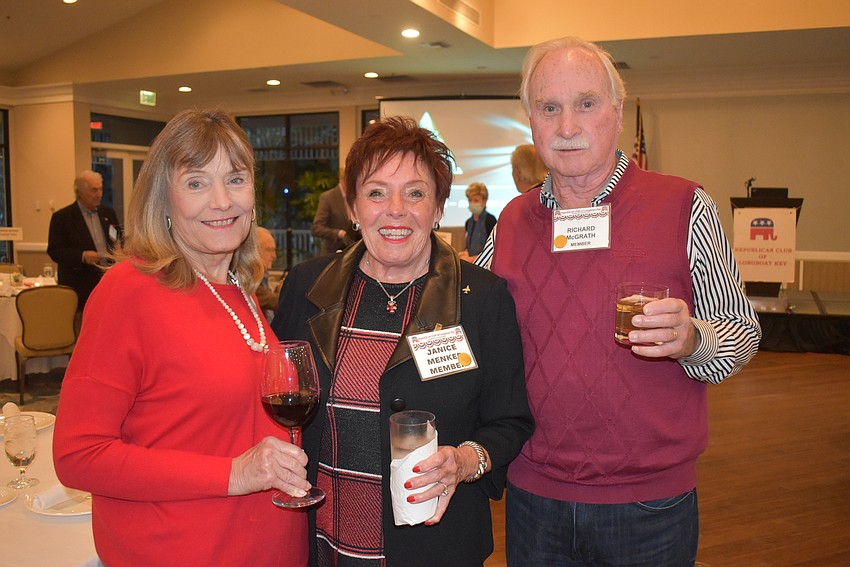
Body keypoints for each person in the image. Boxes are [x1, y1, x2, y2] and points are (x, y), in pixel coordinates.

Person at [476, 37, 762, 566]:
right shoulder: (511, 222)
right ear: (530, 119)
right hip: (534, 495)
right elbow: (470, 331)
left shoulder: (684, 205)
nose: (566, 127)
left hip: (649, 504)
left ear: (617, 110)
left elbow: (741, 333)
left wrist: (693, 339)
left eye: (585, 104)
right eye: (549, 108)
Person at [272, 116, 533, 567]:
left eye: (415, 192)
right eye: (376, 192)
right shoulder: (306, 287)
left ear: (437, 208)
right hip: (320, 544)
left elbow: (510, 422)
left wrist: (466, 461)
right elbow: (278, 398)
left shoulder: (483, 299)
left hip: (435, 547)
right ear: (352, 207)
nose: (396, 209)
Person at [52, 109, 309, 567]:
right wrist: (232, 474)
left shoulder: (239, 287)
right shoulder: (129, 291)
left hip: (268, 546)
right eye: (195, 182)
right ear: (162, 199)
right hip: (180, 549)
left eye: (235, 179)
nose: (221, 201)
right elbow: (79, 454)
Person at [47, 170, 122, 309]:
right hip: (80, 287)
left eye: (100, 189)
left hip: (107, 284)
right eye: (94, 190)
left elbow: (118, 239)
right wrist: (83, 256)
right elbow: (55, 250)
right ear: (79, 192)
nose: (99, 194)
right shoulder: (63, 217)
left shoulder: (108, 213)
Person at [311, 183, 358, 254]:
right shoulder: (328, 197)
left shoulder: (358, 196)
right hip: (332, 254)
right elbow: (316, 228)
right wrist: (339, 233)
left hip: (355, 254)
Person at [457, 182, 497, 263]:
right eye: (470, 200)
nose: (472, 203)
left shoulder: (490, 220)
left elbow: (494, 251)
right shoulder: (468, 222)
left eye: (476, 200)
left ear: (484, 201)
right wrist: (465, 253)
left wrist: (471, 259)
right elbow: (469, 246)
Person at [256, 226, 281, 318]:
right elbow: (272, 301)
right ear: (254, 251)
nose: (274, 256)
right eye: (269, 250)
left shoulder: (263, 274)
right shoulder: (248, 277)